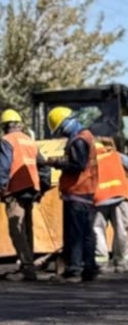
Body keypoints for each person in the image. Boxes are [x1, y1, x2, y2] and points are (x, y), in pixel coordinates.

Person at [0, 109, 51, 281]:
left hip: (15, 190)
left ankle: (27, 268)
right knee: (26, 227)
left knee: (17, 229)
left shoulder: (6, 140)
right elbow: (44, 166)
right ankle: (27, 264)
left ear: (5, 126)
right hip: (31, 189)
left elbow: (5, 166)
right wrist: (42, 188)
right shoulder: (30, 141)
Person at [45, 107, 99, 283]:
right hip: (87, 191)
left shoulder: (78, 141)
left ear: (67, 123)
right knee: (86, 233)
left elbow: (77, 165)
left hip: (77, 192)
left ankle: (74, 269)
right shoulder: (87, 136)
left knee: (75, 233)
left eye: (61, 129)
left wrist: (56, 163)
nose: (61, 133)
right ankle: (89, 268)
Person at [92, 140, 128, 272]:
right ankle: (122, 261)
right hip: (119, 196)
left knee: (97, 229)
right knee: (122, 230)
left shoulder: (90, 160)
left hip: (99, 199)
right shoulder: (116, 155)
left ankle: (101, 261)